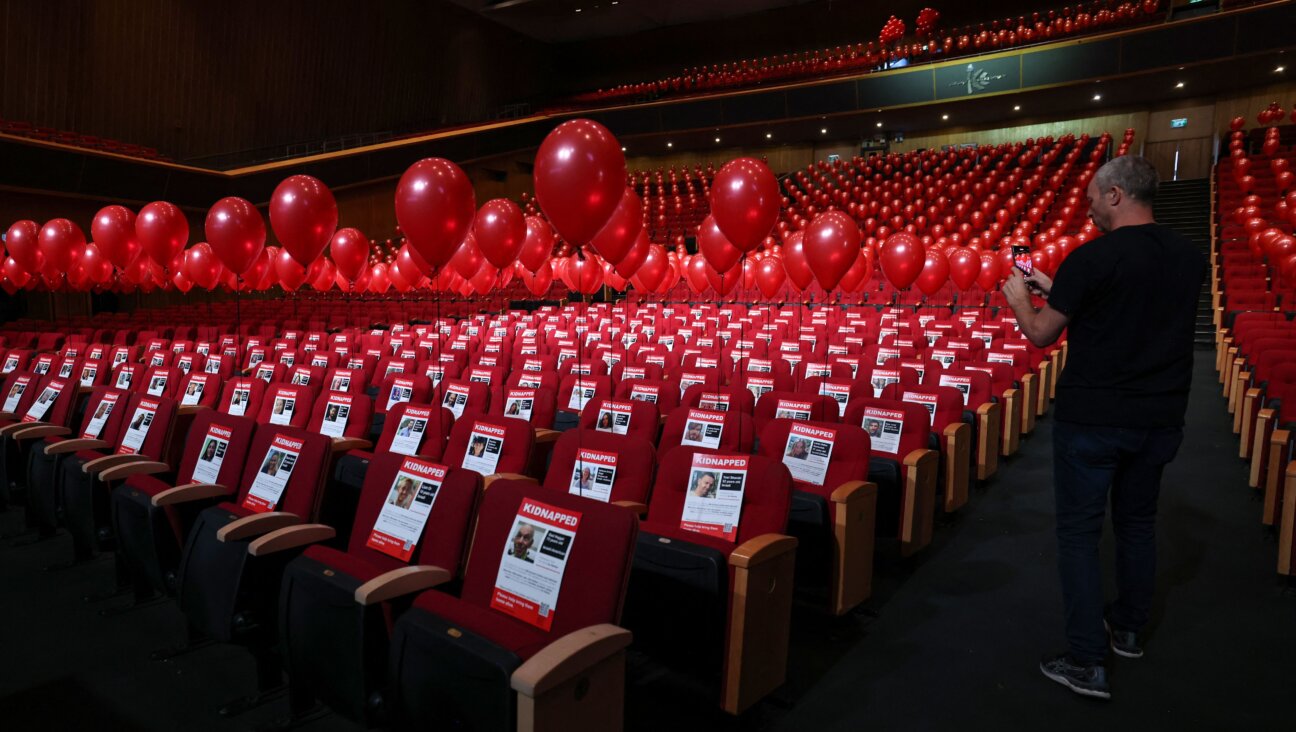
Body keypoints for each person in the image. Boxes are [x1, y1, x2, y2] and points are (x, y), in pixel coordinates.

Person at [1002, 155, 1206, 701]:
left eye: (1094, 196)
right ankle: (1130, 629)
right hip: (1160, 417)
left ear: (1115, 194)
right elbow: (1125, 306)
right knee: (1138, 524)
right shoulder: (1189, 256)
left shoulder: (1091, 257)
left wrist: (1023, 299)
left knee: (1079, 535)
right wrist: (1055, 281)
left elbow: (1044, 333)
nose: (1090, 205)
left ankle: (1087, 659)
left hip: (1093, 420)